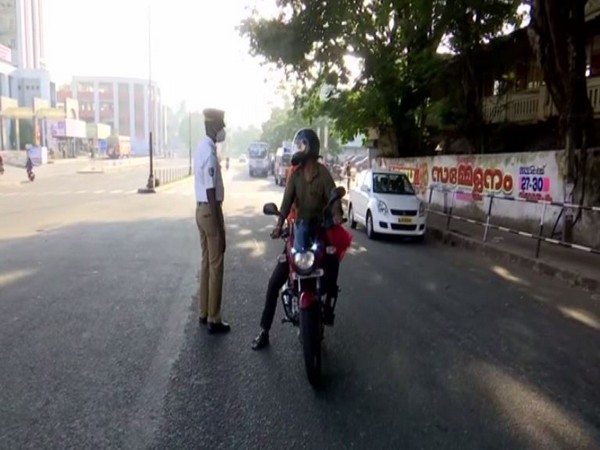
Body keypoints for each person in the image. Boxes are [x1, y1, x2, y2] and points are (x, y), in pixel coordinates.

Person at [252, 128, 344, 350]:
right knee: (275, 282)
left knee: (332, 263)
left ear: (309, 148)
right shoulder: (295, 175)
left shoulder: (323, 174)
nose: (297, 150)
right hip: (299, 232)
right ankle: (264, 330)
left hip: (320, 230)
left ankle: (328, 308)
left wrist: (337, 215)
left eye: (300, 145)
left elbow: (334, 200)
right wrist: (278, 224)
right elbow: (285, 205)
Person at [194, 107, 230, 335]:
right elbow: (210, 191)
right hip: (210, 210)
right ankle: (214, 319)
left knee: (207, 263)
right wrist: (219, 226)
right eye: (221, 125)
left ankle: (203, 312)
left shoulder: (200, 147)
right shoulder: (208, 152)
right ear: (213, 126)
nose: (223, 129)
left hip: (200, 211)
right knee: (217, 265)